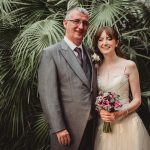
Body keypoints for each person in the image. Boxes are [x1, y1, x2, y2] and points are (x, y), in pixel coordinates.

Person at [38, 7, 97, 150]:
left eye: (85, 23)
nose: (81, 26)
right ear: (65, 23)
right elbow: (48, 95)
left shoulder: (90, 53)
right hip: (67, 130)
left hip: (92, 127)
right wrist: (58, 128)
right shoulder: (50, 53)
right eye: (76, 21)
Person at [93, 26, 150, 150]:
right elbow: (94, 97)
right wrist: (101, 111)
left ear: (116, 42)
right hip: (105, 125)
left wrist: (120, 113)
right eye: (101, 40)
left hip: (128, 124)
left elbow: (137, 99)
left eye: (109, 39)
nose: (105, 43)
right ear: (97, 43)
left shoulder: (129, 65)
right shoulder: (95, 68)